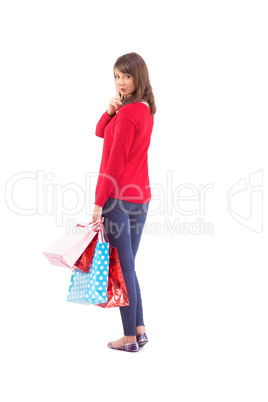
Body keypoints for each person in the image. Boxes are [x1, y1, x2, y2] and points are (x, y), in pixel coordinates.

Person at [92, 52, 156, 352]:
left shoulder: (130, 113)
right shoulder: (142, 110)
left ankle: (129, 338)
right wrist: (109, 111)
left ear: (138, 77)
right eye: (117, 76)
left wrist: (98, 202)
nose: (120, 82)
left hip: (118, 200)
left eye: (126, 76)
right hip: (139, 198)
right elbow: (100, 132)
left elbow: (114, 163)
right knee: (128, 269)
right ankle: (139, 331)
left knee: (123, 270)